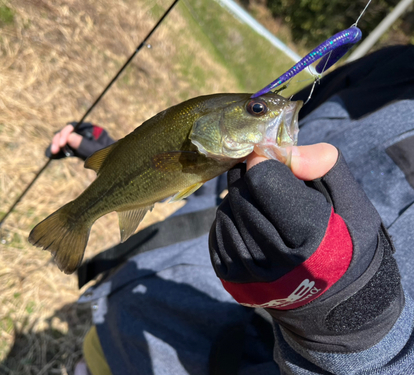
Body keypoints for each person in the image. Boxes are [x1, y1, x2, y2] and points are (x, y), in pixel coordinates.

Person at [48, 45, 414, 374]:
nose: (274, 112)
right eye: (256, 109)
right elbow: (216, 173)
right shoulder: (394, 65)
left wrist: (359, 327)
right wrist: (121, 157)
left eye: (258, 109)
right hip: (118, 323)